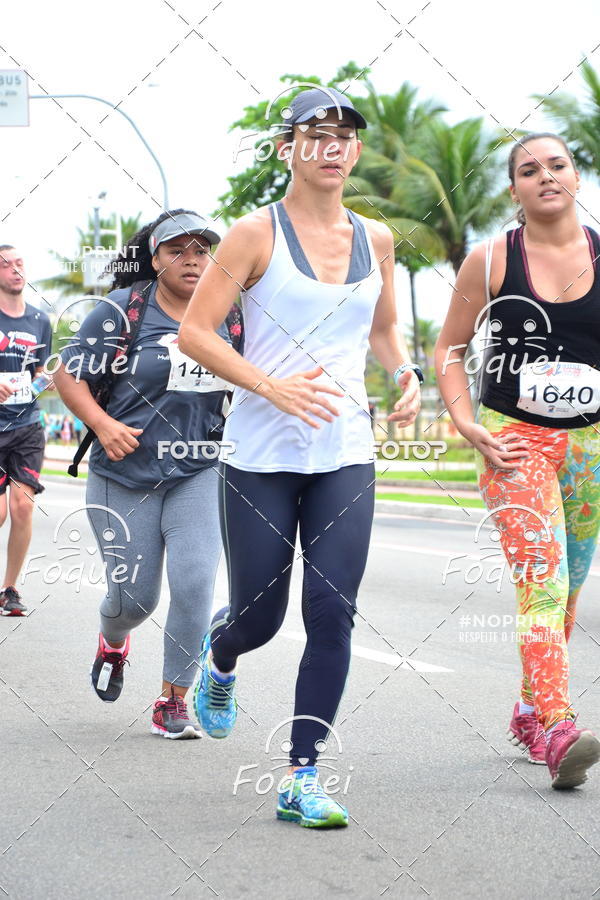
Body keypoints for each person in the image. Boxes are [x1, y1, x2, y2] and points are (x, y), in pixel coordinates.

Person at [178, 87, 422, 825]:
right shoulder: (254, 235)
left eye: (346, 134)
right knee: (260, 617)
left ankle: (301, 775)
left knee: (332, 612)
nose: (334, 146)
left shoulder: (374, 238)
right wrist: (269, 386)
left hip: (345, 449)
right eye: (317, 134)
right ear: (286, 148)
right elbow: (196, 332)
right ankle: (222, 659)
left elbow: (381, 331)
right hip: (259, 452)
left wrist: (404, 372)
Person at [435, 132, 600, 789]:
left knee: (571, 591)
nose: (546, 176)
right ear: (515, 192)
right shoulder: (491, 259)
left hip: (590, 445)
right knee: (544, 582)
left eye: (557, 165)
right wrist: (466, 422)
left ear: (576, 178)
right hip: (515, 441)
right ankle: (559, 726)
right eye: (529, 171)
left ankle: (529, 708)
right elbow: (449, 349)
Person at [54, 210, 242, 740]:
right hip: (123, 473)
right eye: (177, 250)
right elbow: (68, 376)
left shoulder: (230, 315)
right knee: (132, 600)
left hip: (198, 469)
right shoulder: (122, 311)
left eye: (202, 250)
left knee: (195, 582)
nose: (191, 260)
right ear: (154, 258)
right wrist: (102, 423)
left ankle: (172, 700)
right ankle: (113, 641)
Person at [0, 244, 52, 616]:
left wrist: (43, 380)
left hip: (27, 425)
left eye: (20, 263)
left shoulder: (40, 321)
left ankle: (10, 589)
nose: (16, 270)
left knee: (22, 507)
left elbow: (37, 372)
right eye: (6, 265)